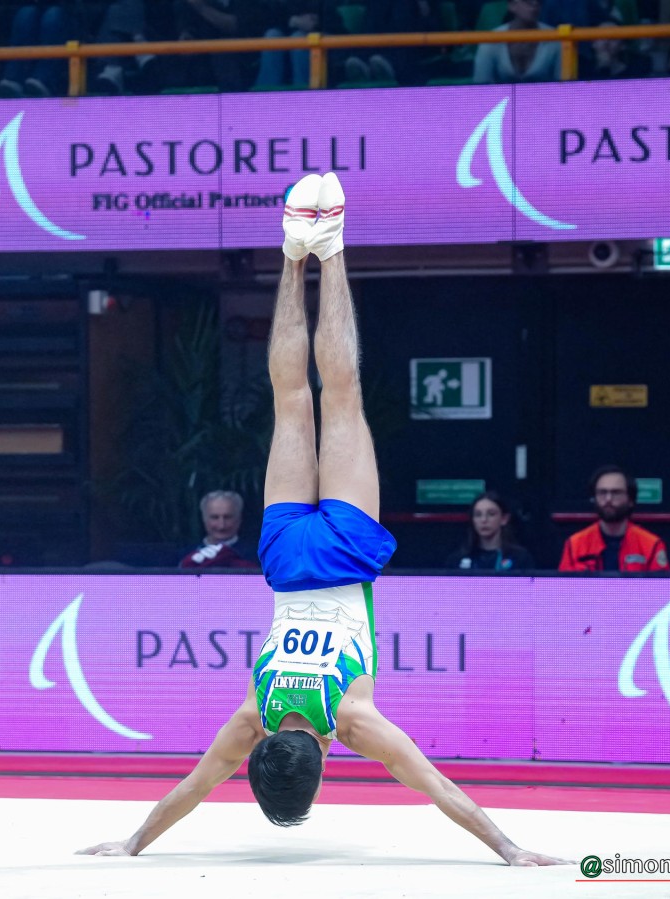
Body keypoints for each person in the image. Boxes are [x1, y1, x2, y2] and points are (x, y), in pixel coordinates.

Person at [79, 172, 563, 867]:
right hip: (284, 559)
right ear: (266, 753)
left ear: (325, 764)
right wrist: (133, 841)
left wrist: (510, 849)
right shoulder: (255, 716)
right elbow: (196, 785)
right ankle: (292, 254)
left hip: (342, 555)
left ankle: (329, 249)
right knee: (290, 400)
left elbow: (435, 785)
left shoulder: (351, 719)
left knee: (341, 395)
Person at [558, 465, 670, 572]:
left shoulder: (652, 545)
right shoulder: (574, 545)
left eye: (616, 493)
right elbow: (563, 585)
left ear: (630, 500)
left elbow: (662, 585)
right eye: (602, 492)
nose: (608, 499)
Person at [472, 0, 559, 84]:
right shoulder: (491, 40)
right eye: (527, 0)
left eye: (539, 1)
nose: (535, 4)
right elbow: (481, 85)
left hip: (545, 94)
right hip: (501, 94)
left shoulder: (555, 37)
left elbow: (563, 85)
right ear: (512, 5)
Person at [445, 491, 534, 571]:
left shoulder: (520, 558)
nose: (484, 520)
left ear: (504, 519)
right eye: (478, 515)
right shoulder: (457, 559)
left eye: (491, 514)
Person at [179, 489, 258, 569]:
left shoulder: (256, 556)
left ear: (239, 519)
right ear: (204, 519)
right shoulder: (184, 556)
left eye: (227, 517)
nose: (221, 525)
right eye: (214, 517)